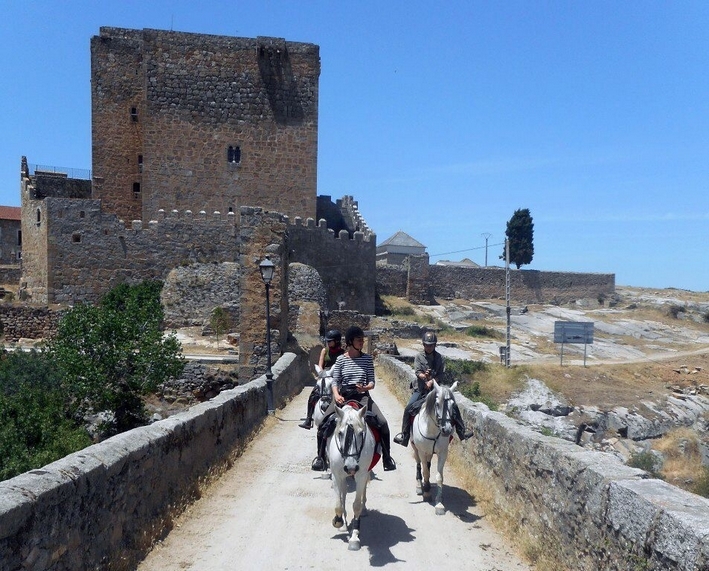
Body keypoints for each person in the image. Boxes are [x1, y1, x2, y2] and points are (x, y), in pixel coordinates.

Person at [311, 325, 397, 472]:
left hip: (362, 396)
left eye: (362, 340)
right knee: (324, 422)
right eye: (359, 340)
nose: (362, 343)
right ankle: (320, 458)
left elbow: (372, 382)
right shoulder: (340, 360)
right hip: (343, 395)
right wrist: (337, 395)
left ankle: (387, 458)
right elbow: (335, 381)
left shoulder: (368, 359)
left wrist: (365, 388)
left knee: (383, 423)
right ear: (350, 341)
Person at [394, 330, 474, 447]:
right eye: (427, 345)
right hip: (421, 390)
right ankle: (405, 436)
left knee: (453, 406)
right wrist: (424, 377)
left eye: (431, 345)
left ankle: (462, 432)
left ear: (435, 345)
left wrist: (432, 381)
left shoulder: (440, 358)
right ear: (423, 345)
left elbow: (441, 374)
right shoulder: (419, 357)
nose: (429, 347)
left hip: (435, 390)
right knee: (408, 408)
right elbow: (417, 372)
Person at [299, 329, 343, 429]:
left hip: (337, 376)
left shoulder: (342, 353)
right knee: (313, 395)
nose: (328, 342)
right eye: (327, 341)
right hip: (325, 375)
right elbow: (320, 363)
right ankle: (309, 419)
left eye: (330, 341)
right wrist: (322, 374)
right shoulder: (325, 350)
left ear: (336, 341)